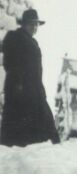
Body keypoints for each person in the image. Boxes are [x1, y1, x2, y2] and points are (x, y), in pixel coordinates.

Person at [1, 9, 60, 146]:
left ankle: (35, 151)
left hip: (33, 89)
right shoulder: (17, 39)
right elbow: (11, 63)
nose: (34, 27)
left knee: (38, 122)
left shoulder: (30, 41)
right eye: (30, 24)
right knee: (28, 122)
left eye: (36, 24)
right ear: (24, 24)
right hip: (21, 89)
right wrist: (18, 84)